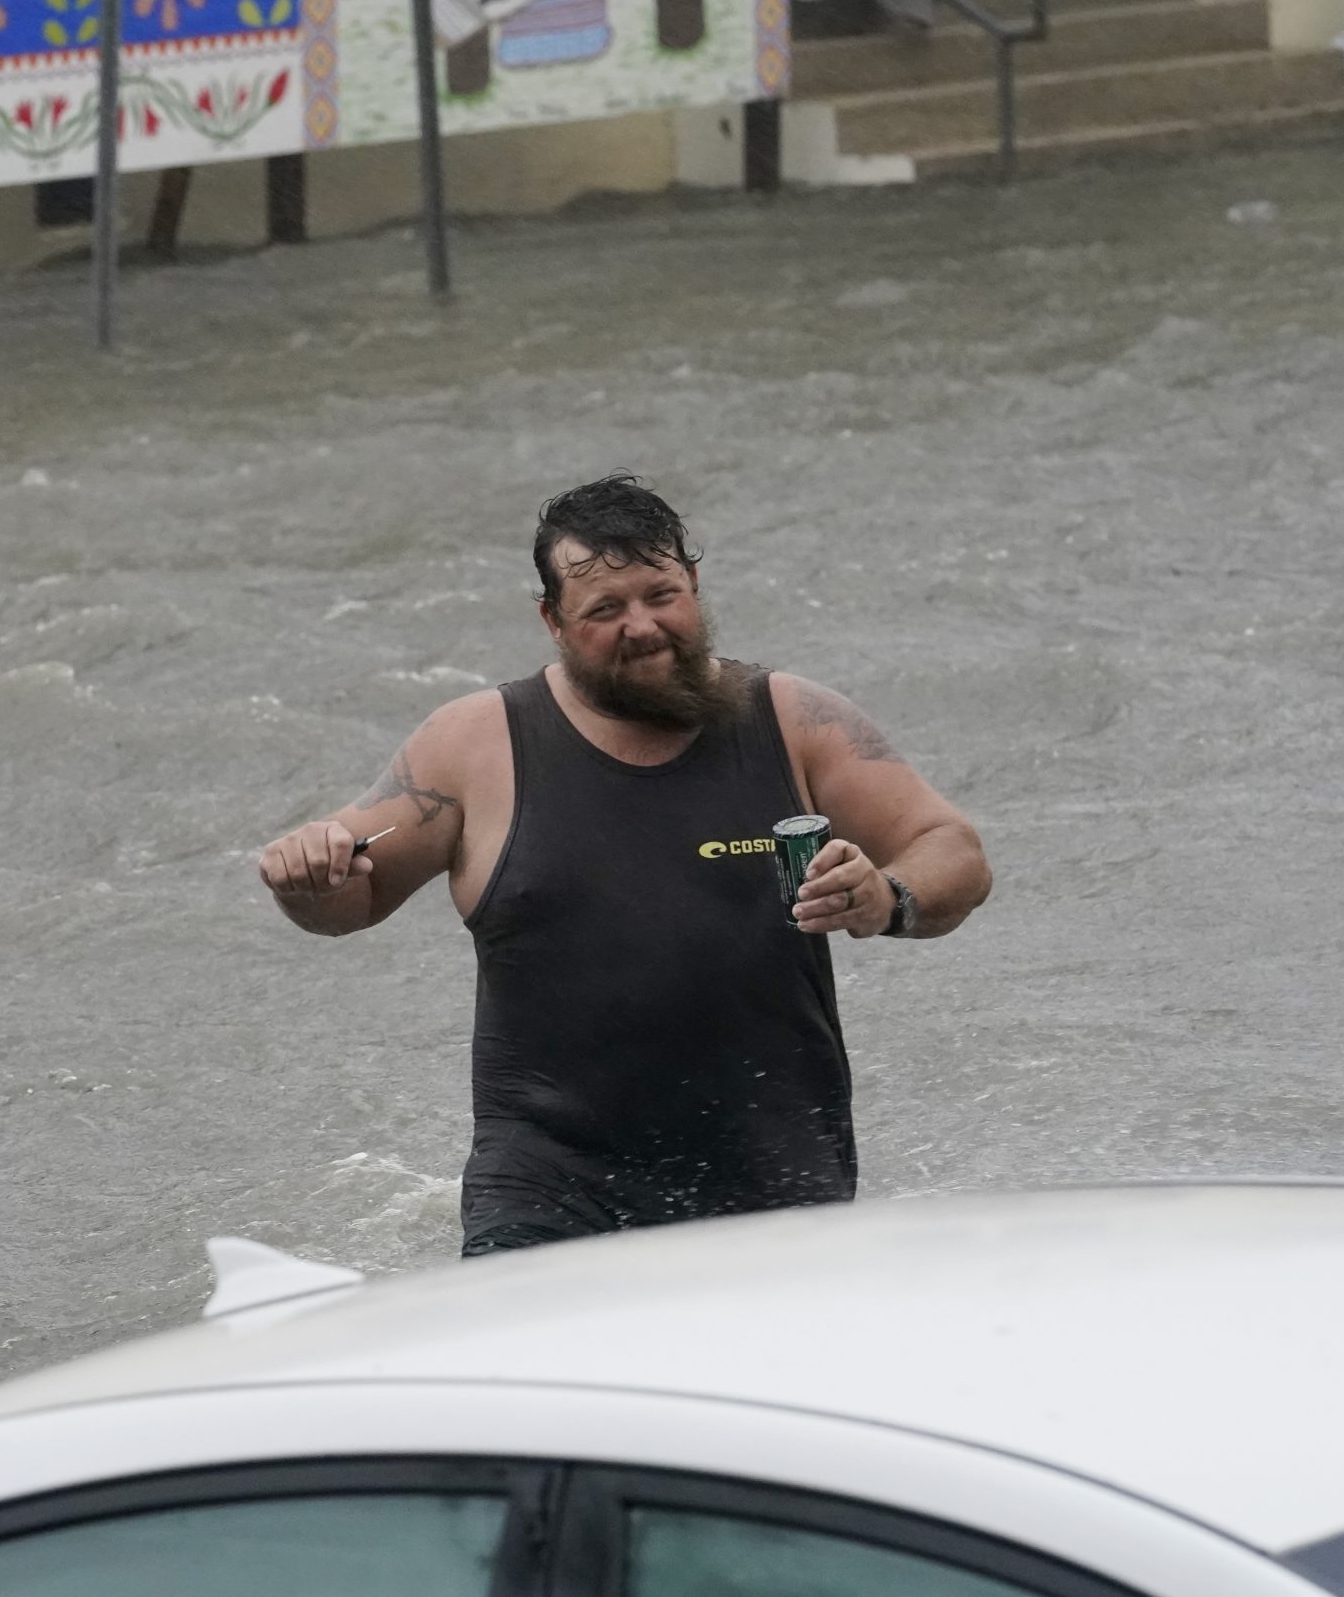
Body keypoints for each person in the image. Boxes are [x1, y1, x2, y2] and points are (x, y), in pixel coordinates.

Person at [258, 474, 991, 1256]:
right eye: (605, 610)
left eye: (660, 594)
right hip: (548, 1186)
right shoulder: (474, 745)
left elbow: (955, 850)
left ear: (695, 585)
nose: (642, 627)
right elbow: (350, 898)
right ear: (552, 620)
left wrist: (889, 896)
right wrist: (309, 877)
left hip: (775, 1174)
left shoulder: (794, 720)